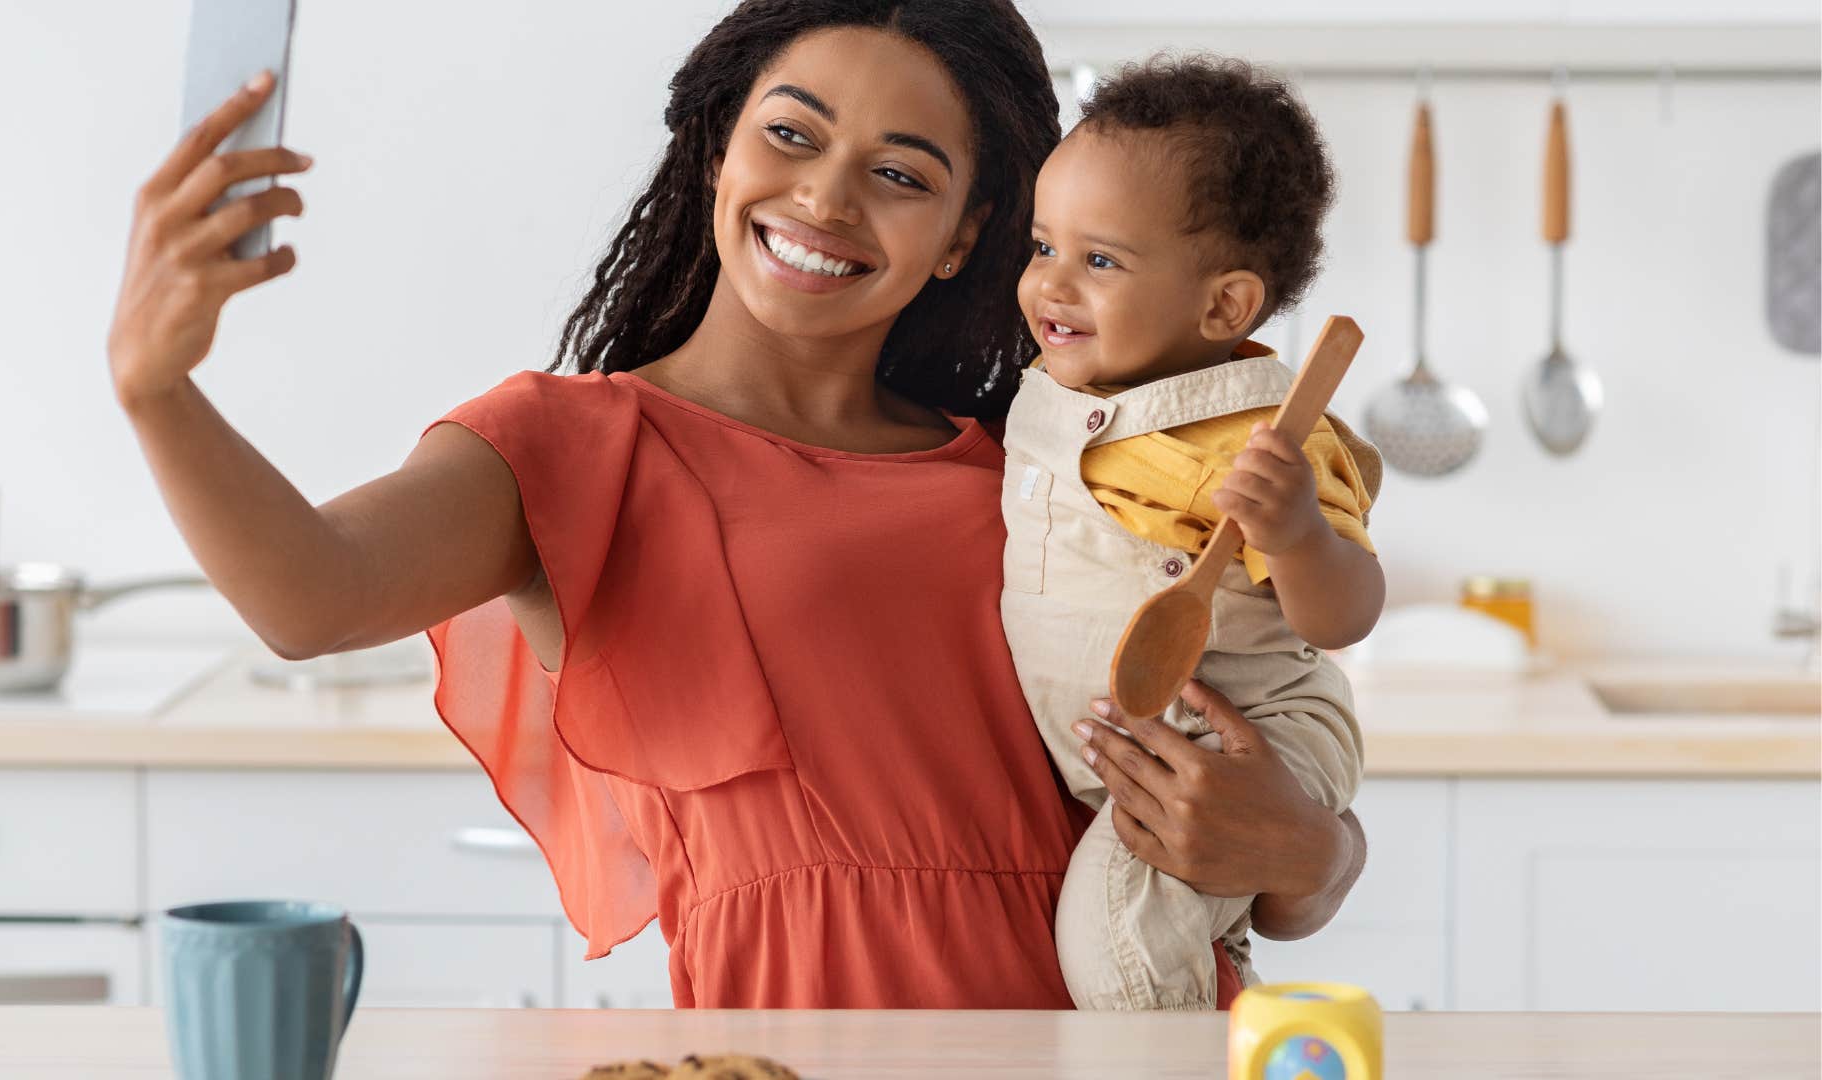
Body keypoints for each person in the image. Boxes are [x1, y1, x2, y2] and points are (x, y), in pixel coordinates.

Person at [105, 0, 1367, 1010]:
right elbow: (307, 597)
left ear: (965, 235)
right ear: (719, 149)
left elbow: (1258, 766)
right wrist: (159, 392)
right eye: (793, 135)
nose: (825, 199)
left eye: (901, 173)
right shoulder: (572, 448)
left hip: (1133, 1043)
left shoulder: (1044, 474)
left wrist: (1310, 851)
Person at [999, 55, 1384, 1010]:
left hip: (1250, 737)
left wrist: (1295, 532)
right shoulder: (1058, 390)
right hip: (1136, 745)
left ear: (1224, 306)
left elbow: (1344, 616)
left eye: (1100, 261)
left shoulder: (1261, 441)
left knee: (1117, 940)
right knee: (1182, 950)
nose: (1051, 284)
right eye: (1044, 245)